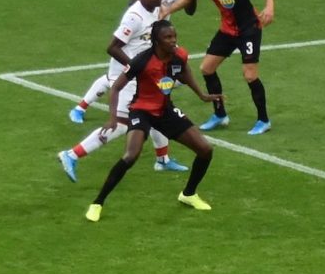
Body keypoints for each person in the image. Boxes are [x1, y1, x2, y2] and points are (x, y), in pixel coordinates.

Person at [83, 21, 222, 222]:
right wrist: (113, 118)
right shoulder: (142, 61)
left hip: (165, 110)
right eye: (168, 37)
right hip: (141, 111)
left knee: (205, 149)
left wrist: (202, 94)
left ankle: (188, 194)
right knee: (131, 155)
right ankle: (97, 203)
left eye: (174, 36)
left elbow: (184, 71)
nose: (173, 41)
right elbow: (116, 88)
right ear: (156, 40)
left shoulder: (179, 54)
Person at [57, 0, 186, 182]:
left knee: (158, 109)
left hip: (143, 71)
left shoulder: (158, 11)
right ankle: (71, 155)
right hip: (127, 75)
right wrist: (135, 67)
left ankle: (162, 160)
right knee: (121, 125)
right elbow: (112, 47)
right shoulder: (134, 17)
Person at [160, 0, 276, 135]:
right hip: (227, 31)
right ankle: (220, 114)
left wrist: (270, 6)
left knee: (250, 75)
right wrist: (167, 10)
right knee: (207, 68)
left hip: (249, 28)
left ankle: (263, 120)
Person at [69, 0, 192, 126]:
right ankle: (81, 107)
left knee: (175, 75)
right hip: (140, 35)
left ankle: (153, 104)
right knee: (126, 75)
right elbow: (132, 3)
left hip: (159, 37)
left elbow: (190, 9)